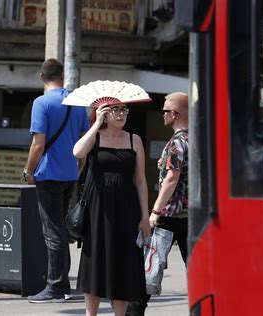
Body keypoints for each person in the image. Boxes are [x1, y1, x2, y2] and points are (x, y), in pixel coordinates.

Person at [73, 102, 151, 316]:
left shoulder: (134, 140)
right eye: (115, 110)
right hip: (98, 208)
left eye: (124, 110)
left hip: (127, 209)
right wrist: (96, 123)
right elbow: (77, 152)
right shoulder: (96, 136)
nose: (121, 114)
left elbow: (141, 180)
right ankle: (91, 314)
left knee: (124, 260)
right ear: (105, 114)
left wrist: (145, 216)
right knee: (94, 260)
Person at [23, 58, 89, 303]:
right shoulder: (77, 102)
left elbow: (38, 144)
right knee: (60, 231)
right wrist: (79, 167)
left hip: (48, 174)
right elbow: (84, 141)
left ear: (42, 76)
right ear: (63, 75)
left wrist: (28, 170)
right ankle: (63, 284)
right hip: (70, 174)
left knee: (52, 233)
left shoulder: (41, 103)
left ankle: (55, 287)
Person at [126, 92, 190, 316]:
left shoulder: (177, 143)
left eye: (165, 111)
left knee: (148, 271)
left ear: (174, 114)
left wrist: (155, 211)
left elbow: (172, 178)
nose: (162, 115)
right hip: (192, 216)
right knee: (197, 270)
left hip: (169, 216)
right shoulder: (199, 140)